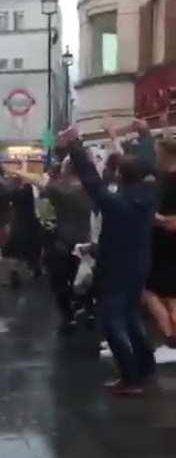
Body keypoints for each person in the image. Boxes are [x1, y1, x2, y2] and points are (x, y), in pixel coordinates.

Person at [58, 127, 156, 397]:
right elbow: (145, 160)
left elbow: (91, 180)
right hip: (139, 264)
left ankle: (130, 378)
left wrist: (75, 146)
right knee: (132, 317)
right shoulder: (148, 196)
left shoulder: (117, 204)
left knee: (114, 323)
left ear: (122, 177)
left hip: (116, 267)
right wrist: (144, 136)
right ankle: (145, 367)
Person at [13, 160, 92, 334]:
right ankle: (85, 307)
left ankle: (68, 315)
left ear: (66, 171)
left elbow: (37, 180)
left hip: (64, 241)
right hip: (86, 240)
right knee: (82, 277)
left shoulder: (60, 190)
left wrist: (19, 171)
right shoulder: (91, 189)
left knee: (59, 280)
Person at [144, 131, 176, 363]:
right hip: (163, 241)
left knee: (149, 291)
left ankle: (170, 340)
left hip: (165, 243)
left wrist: (158, 218)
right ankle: (171, 341)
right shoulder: (163, 178)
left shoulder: (166, 181)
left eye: (158, 153)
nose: (156, 157)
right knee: (170, 294)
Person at [0, 166, 43, 288]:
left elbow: (5, 188)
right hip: (32, 225)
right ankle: (36, 269)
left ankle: (15, 279)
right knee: (30, 251)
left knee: (11, 253)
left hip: (21, 227)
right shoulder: (30, 190)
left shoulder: (19, 192)